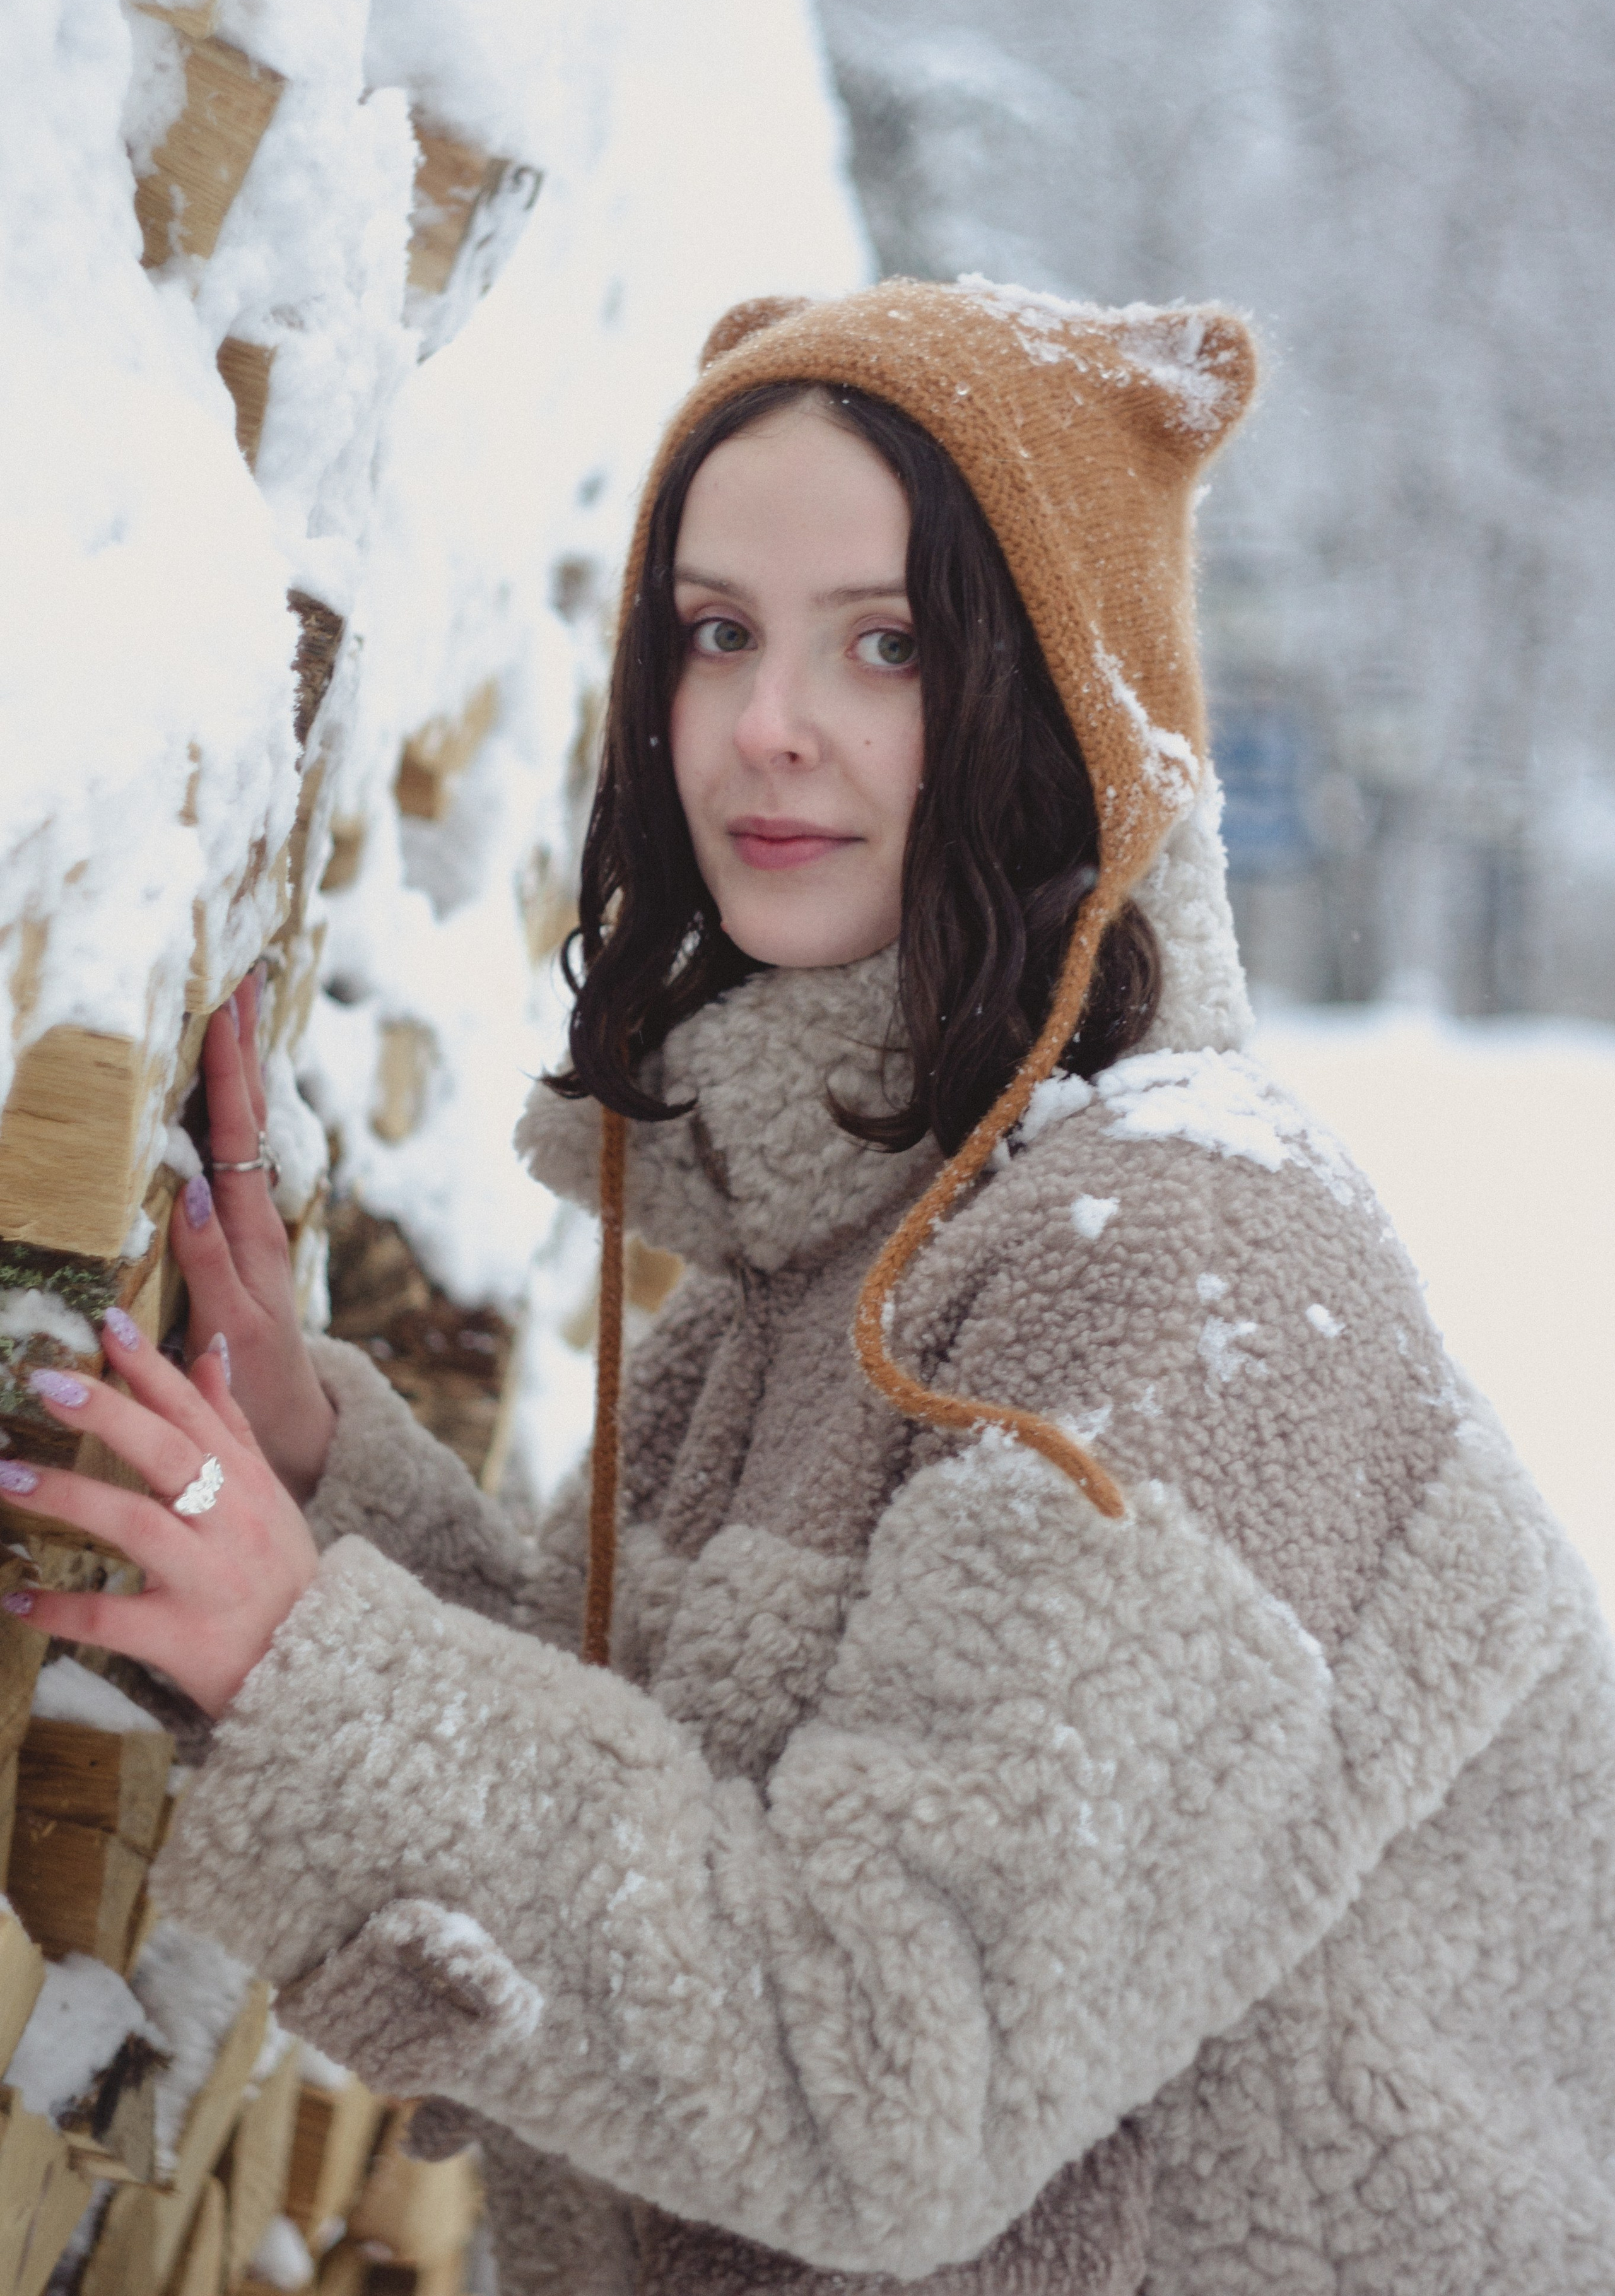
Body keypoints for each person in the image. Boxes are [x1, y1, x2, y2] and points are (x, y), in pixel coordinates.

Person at [3, 280, 1612, 2295]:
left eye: (886, 643)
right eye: (716, 632)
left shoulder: (1194, 1266)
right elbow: (703, 1800)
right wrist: (326, 1489)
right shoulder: (834, 1260)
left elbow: (889, 2066)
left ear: (1066, 702)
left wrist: (310, 1662)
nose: (768, 721)